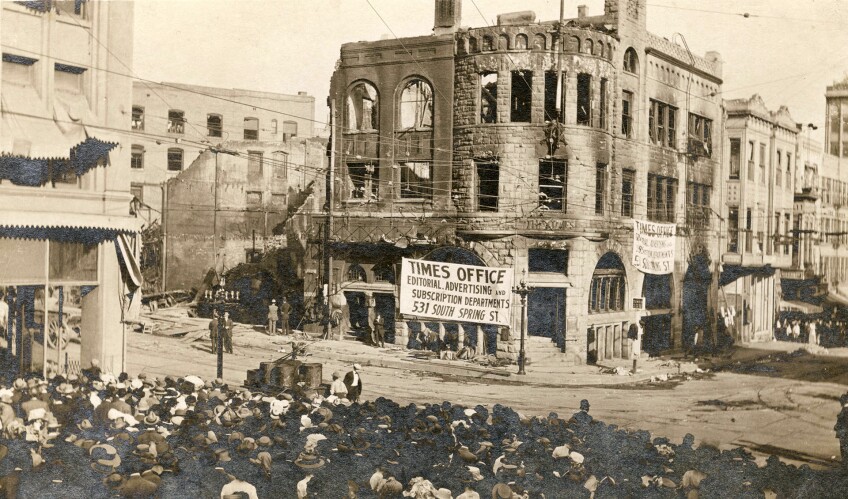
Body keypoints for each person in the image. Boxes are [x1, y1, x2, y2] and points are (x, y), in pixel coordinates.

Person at [835, 394, 848, 470]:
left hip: (844, 432)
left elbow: (842, 421)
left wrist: (836, 426)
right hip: (844, 432)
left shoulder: (845, 410)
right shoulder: (844, 409)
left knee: (843, 447)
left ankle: (845, 464)